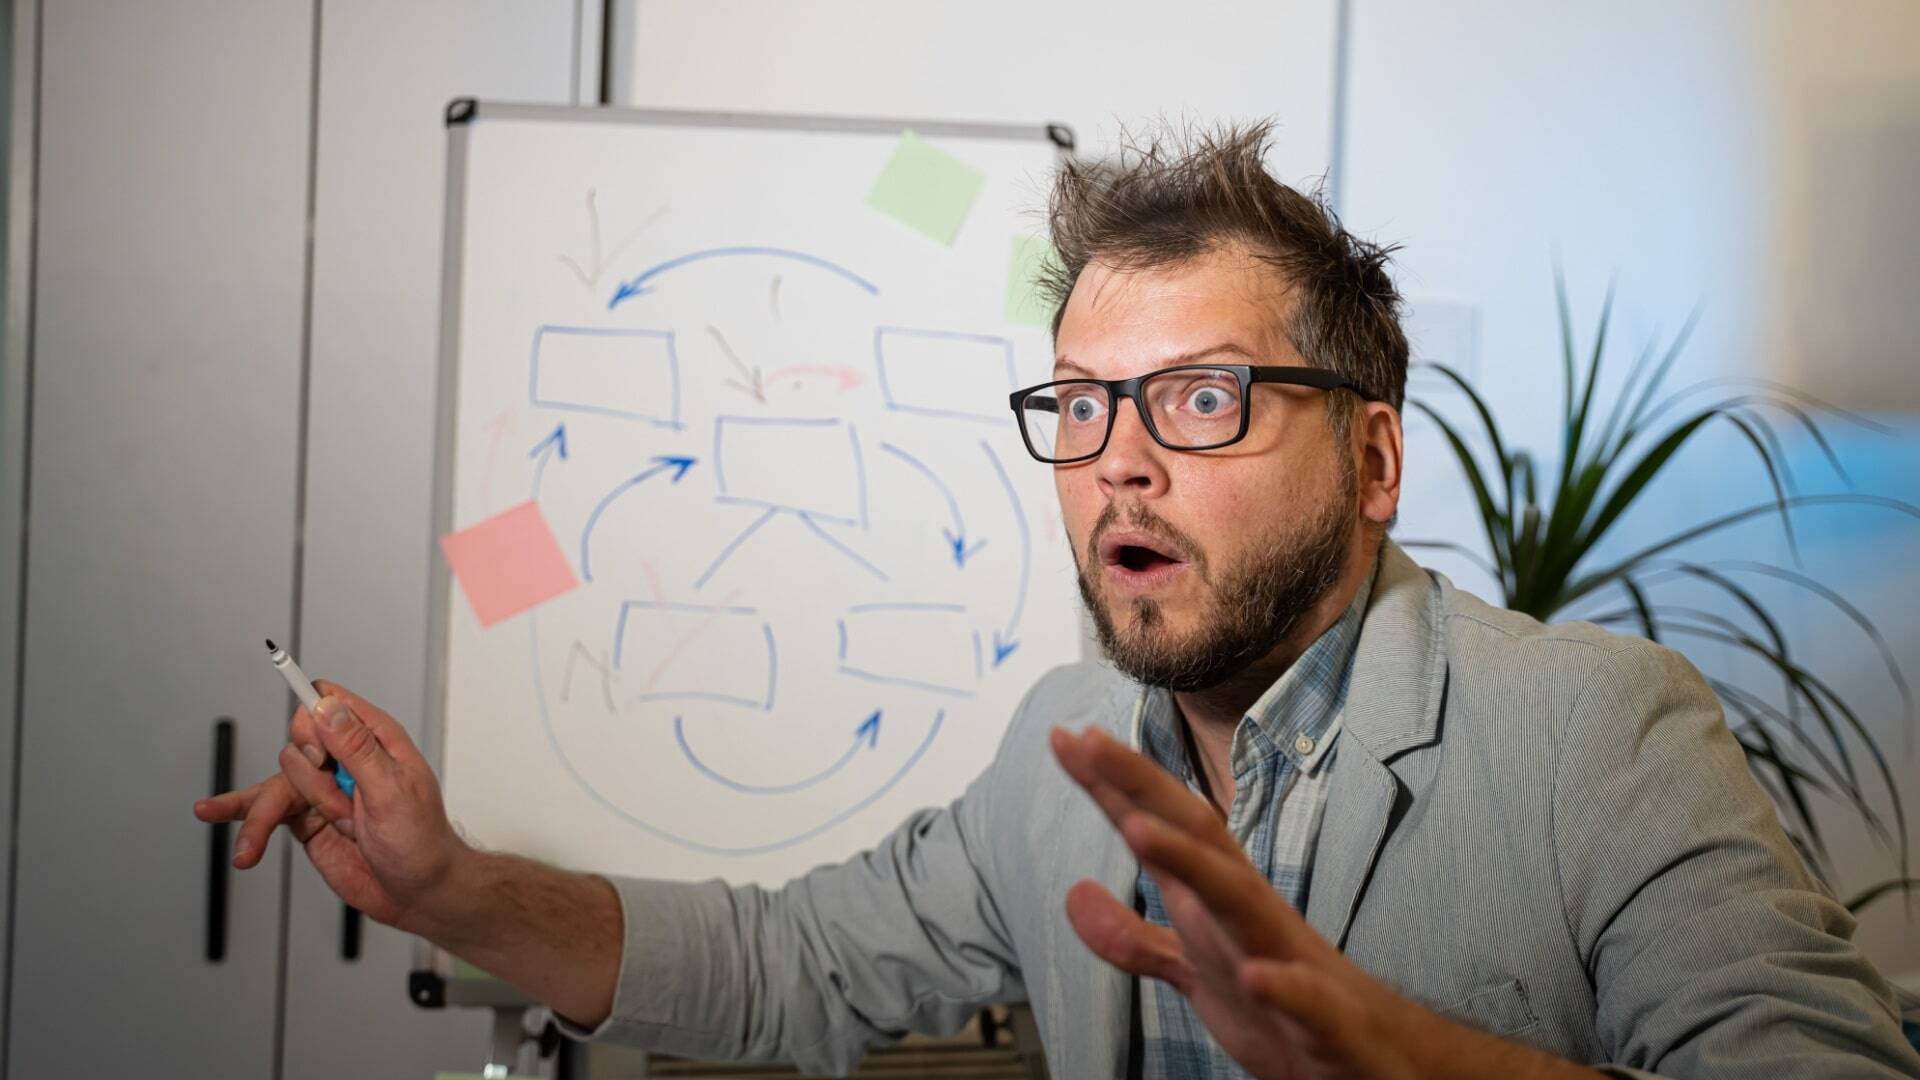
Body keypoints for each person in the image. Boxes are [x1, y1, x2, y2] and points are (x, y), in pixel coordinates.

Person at [194, 123, 1920, 1079]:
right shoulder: (1065, 749)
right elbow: (790, 967)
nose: (1117, 464)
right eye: (1081, 403)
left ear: (1375, 461)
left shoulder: (1605, 737)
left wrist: (1388, 1059)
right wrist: (449, 889)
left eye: (1199, 397)